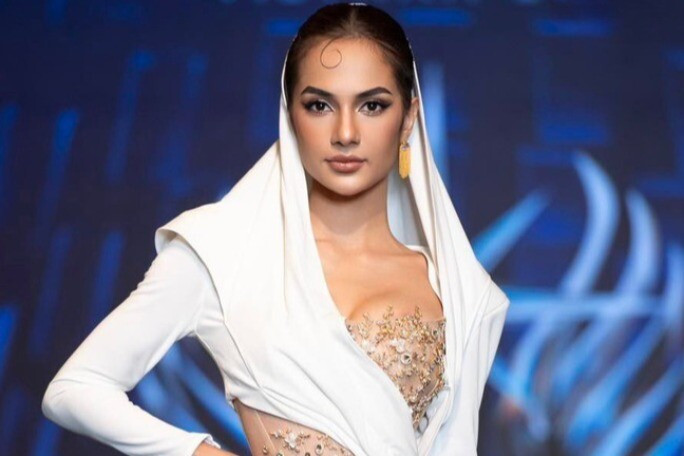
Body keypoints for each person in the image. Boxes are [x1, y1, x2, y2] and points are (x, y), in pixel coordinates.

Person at [41, 3, 510, 455]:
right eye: (320, 105)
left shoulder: (458, 291)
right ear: (289, 114)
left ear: (408, 119)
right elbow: (75, 389)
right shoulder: (222, 255)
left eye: (372, 105)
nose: (346, 133)